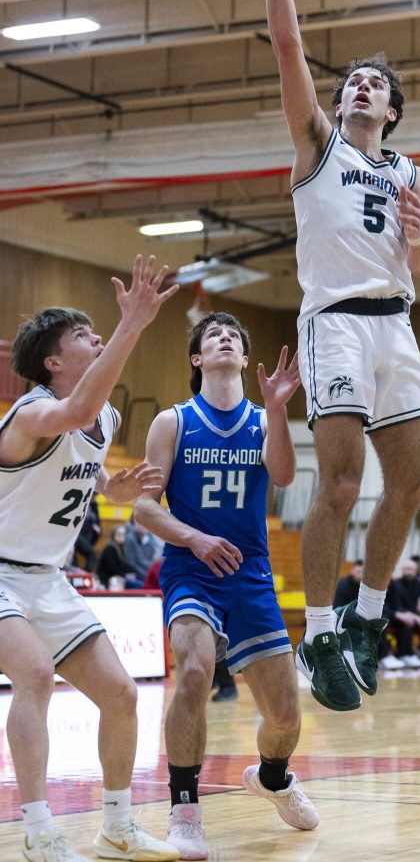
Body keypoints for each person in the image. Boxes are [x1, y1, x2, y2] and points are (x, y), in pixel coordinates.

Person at [242, 0, 420, 712]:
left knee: (410, 487)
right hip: (336, 326)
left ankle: (367, 617)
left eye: (373, 84)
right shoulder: (317, 146)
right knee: (340, 484)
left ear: (391, 110)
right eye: (351, 81)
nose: (359, 87)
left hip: (396, 325)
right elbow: (288, 46)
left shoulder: (414, 174)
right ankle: (317, 630)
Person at [0, 255, 179, 862]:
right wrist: (134, 323)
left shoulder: (105, 414)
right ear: (53, 362)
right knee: (34, 674)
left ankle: (117, 828)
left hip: (47, 579)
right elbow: (69, 418)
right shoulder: (30, 414)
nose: (97, 337)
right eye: (83, 335)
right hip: (0, 572)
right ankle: (38, 833)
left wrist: (113, 489)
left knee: (122, 695)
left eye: (99, 331)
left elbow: (84, 469)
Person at [135, 311, 318, 860]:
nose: (224, 338)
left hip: (250, 572)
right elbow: (144, 508)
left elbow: (283, 476)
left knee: (285, 716)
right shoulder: (172, 422)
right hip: (191, 568)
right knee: (193, 674)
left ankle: (273, 777)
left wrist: (280, 409)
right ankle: (184, 809)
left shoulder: (263, 420)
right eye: (213, 334)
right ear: (197, 358)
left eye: (233, 335)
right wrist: (194, 539)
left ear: (244, 358)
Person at [96, 524, 142, 590]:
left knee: (138, 581)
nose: (121, 536)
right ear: (113, 535)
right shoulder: (110, 548)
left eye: (123, 534)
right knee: (140, 585)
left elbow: (124, 565)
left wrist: (131, 571)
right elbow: (112, 569)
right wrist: (126, 574)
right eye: (119, 534)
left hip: (116, 578)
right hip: (108, 580)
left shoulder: (121, 548)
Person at [123, 519, 162, 583]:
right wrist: (149, 575)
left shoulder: (151, 538)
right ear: (135, 524)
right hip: (138, 576)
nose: (145, 526)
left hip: (150, 573)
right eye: (142, 523)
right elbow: (131, 563)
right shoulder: (130, 539)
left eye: (147, 524)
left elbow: (155, 557)